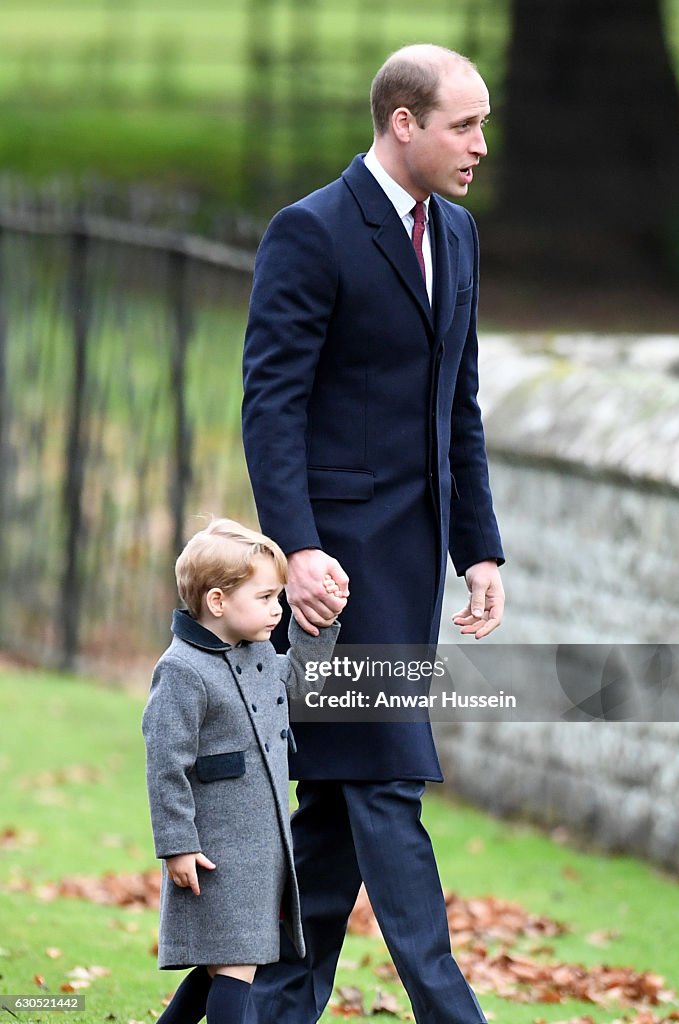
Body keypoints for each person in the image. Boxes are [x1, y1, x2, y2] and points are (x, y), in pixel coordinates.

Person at [241, 43, 505, 1024]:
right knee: (386, 782)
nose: (481, 142)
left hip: (413, 569)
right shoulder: (310, 231)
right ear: (404, 123)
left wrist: (477, 548)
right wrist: (298, 548)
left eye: (484, 121)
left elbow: (458, 407)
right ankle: (451, 1010)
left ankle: (247, 1011)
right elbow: (272, 404)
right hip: (336, 584)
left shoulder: (463, 236)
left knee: (332, 819)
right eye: (464, 124)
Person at [141, 518, 342, 1024]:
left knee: (226, 962)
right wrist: (177, 844)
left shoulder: (257, 655)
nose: (278, 609)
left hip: (262, 853)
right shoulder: (183, 669)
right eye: (267, 597)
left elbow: (300, 691)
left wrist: (317, 627)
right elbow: (166, 764)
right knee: (235, 966)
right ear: (217, 602)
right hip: (215, 853)